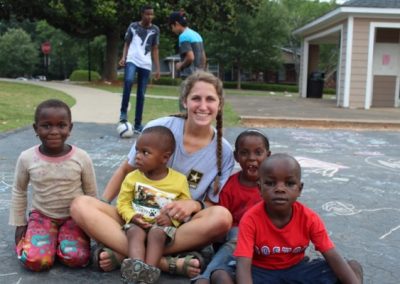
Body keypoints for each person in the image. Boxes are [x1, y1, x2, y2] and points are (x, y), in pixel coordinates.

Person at [70, 71, 235, 278]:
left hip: (175, 228)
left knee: (222, 217)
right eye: (196, 98)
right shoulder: (160, 127)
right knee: (80, 205)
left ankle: (126, 257)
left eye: (210, 99)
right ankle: (163, 262)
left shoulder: (224, 151)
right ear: (185, 101)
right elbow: (125, 170)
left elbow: (211, 203)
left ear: (220, 105)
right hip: (135, 219)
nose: (203, 106)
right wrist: (103, 205)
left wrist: (192, 205)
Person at [234, 153, 363, 284]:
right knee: (225, 276)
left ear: (299, 189)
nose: (280, 189)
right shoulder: (250, 219)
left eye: (289, 183)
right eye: (270, 183)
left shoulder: (309, 218)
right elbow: (243, 263)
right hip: (262, 273)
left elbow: (331, 254)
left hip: (297, 270)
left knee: (352, 267)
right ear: (259, 188)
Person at [9, 99, 97, 272]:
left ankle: (59, 243)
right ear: (36, 129)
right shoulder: (27, 158)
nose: (54, 132)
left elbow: (91, 194)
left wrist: (92, 227)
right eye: (46, 126)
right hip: (42, 217)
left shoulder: (81, 157)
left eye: (61, 125)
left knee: (77, 258)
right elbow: (19, 190)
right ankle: (49, 244)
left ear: (70, 128)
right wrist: (20, 224)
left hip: (74, 218)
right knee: (34, 260)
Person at [193, 129, 271, 284]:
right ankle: (207, 276)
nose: (251, 158)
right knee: (239, 236)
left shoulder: (271, 184)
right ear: (236, 157)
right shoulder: (229, 185)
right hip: (234, 236)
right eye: (244, 153)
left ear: (268, 155)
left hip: (263, 237)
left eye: (258, 152)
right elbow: (221, 222)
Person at [117, 126, 191, 283]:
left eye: (145, 152)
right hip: (138, 224)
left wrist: (172, 220)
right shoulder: (132, 177)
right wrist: (132, 216)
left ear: (164, 158)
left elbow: (185, 209)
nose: (137, 156)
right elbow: (122, 203)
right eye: (137, 150)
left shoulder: (179, 181)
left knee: (157, 234)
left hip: (162, 227)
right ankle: (136, 270)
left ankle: (149, 273)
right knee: (134, 232)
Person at [119, 4, 160, 133]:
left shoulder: (155, 29)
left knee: (141, 94)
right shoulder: (133, 26)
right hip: (132, 59)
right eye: (147, 14)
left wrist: (157, 68)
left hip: (145, 63)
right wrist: (123, 57)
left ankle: (137, 124)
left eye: (151, 14)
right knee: (129, 81)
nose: (150, 17)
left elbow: (155, 49)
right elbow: (127, 43)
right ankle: (123, 113)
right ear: (142, 14)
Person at [168, 9, 206, 111]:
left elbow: (190, 57)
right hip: (199, 75)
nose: (172, 30)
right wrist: (201, 72)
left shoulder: (183, 36)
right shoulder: (196, 34)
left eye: (172, 27)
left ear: (176, 24)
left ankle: (184, 125)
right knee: (196, 103)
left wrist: (180, 65)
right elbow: (203, 57)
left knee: (184, 103)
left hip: (188, 76)